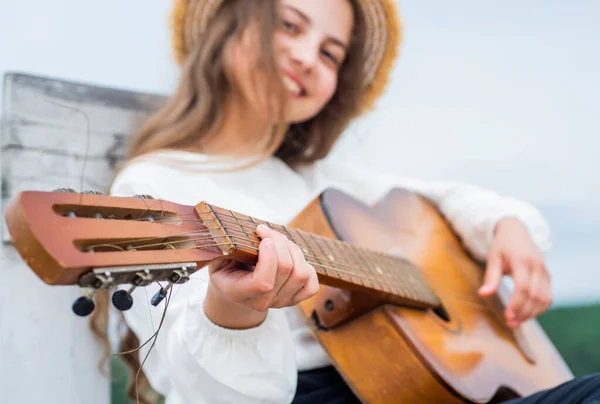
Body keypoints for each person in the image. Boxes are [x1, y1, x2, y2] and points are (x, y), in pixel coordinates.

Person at [93, 0, 599, 403]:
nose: (308, 56)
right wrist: (230, 307)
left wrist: (506, 223)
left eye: (331, 53)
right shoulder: (156, 183)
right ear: (229, 22)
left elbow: (447, 200)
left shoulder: (327, 179)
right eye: (290, 25)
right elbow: (195, 383)